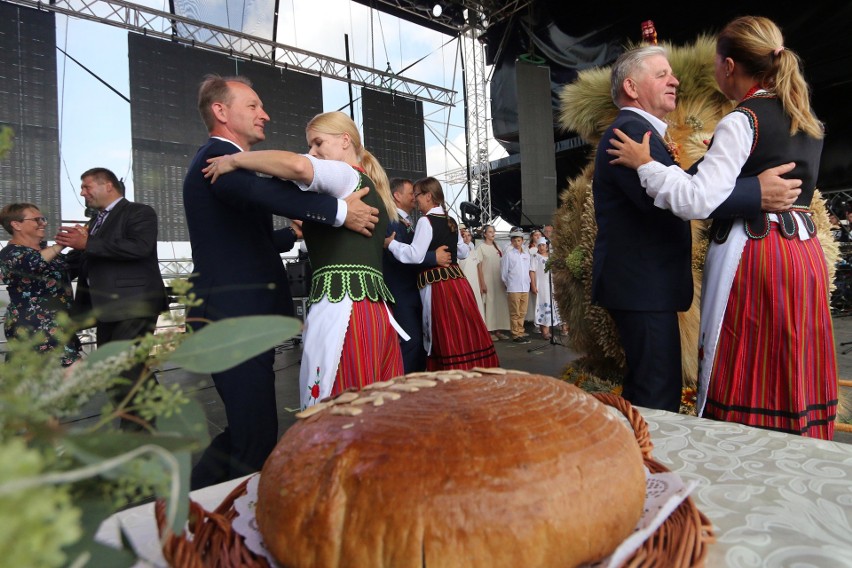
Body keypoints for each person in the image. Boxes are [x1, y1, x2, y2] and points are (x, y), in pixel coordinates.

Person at [607, 17, 837, 438]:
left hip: (757, 251)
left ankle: (742, 450)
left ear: (729, 66)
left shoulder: (742, 119)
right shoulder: (805, 119)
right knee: (792, 361)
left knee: (747, 357)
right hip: (802, 253)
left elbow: (696, 198)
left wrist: (647, 165)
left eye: (715, 62)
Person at [183, 76, 379, 489]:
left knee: (246, 432)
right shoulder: (218, 160)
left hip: (238, 319)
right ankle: (217, 527)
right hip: (234, 320)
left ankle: (187, 511)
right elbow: (273, 190)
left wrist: (292, 234)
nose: (264, 114)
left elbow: (247, 236)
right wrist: (339, 212)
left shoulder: (227, 165)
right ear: (221, 111)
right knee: (253, 439)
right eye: (253, 105)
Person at [592, 44, 799, 413]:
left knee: (653, 387)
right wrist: (756, 192)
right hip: (643, 289)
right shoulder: (629, 133)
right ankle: (647, 467)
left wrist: (718, 161)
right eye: (661, 75)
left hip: (646, 288)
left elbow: (679, 188)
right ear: (632, 88)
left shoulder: (643, 134)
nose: (675, 80)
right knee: (657, 394)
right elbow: (676, 201)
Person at [206, 110, 405, 408]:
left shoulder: (346, 174)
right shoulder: (368, 187)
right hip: (372, 310)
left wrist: (234, 160)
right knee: (375, 405)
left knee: (341, 406)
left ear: (344, 141)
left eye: (317, 143)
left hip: (344, 309)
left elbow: (297, 166)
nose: (312, 152)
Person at [56, 168, 167, 429]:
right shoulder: (94, 221)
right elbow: (82, 259)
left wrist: (88, 243)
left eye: (86, 187)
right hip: (106, 307)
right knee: (113, 367)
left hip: (136, 303)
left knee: (124, 367)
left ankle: (137, 433)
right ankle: (151, 403)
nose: (82, 193)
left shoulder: (140, 212)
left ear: (107, 185)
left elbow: (139, 247)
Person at [386, 177, 499, 370]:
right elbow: (463, 252)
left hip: (437, 286)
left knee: (440, 331)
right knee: (461, 329)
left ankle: (445, 373)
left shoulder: (425, 221)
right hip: (457, 283)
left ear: (428, 196)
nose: (416, 199)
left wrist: (392, 244)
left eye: (418, 195)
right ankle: (469, 369)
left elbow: (415, 255)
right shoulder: (451, 220)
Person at [382, 177, 450, 373]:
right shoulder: (392, 221)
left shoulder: (408, 221)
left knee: (421, 341)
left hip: (414, 291)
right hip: (402, 292)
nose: (414, 197)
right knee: (411, 341)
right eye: (411, 193)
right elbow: (397, 258)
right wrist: (433, 258)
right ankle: (406, 386)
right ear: (397, 195)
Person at [0, 203, 80, 366]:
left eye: (43, 219)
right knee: (73, 373)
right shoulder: (10, 254)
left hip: (61, 326)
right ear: (16, 225)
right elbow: (32, 264)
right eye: (37, 219)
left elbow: (70, 268)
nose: (43, 223)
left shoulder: (50, 254)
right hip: (33, 327)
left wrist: (84, 242)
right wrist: (61, 244)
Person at [475, 224, 511, 341]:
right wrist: (482, 283)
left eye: (493, 232)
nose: (492, 234)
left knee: (499, 305)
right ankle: (489, 331)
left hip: (498, 281)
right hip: (488, 280)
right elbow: (479, 267)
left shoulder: (498, 248)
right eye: (490, 232)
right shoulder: (481, 248)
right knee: (489, 306)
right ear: (485, 234)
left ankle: (498, 330)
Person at [529, 237, 565, 340]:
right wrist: (533, 285)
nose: (541, 247)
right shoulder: (535, 257)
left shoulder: (551, 257)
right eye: (539, 245)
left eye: (543, 245)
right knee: (543, 306)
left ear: (547, 246)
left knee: (551, 305)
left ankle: (549, 330)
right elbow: (532, 271)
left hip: (551, 285)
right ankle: (545, 331)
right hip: (542, 286)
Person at [501, 229, 531, 344]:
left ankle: (521, 332)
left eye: (519, 240)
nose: (517, 243)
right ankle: (515, 334)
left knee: (523, 312)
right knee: (515, 312)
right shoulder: (508, 255)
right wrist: (508, 284)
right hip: (514, 287)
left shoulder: (526, 254)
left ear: (522, 241)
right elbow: (504, 273)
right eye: (515, 241)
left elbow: (528, 270)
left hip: (525, 287)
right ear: (512, 242)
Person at [458, 225, 485, 320]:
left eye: (469, 235)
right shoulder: (457, 253)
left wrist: (481, 284)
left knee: (477, 305)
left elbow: (478, 269)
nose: (466, 237)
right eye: (463, 235)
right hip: (463, 284)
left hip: (475, 284)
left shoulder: (474, 251)